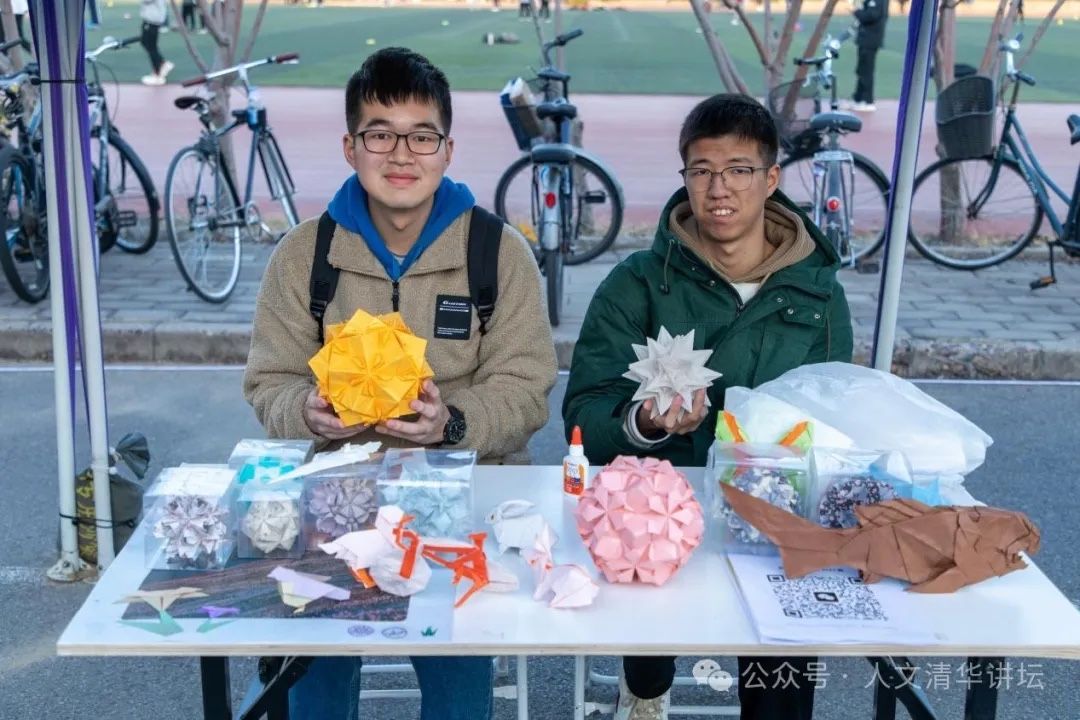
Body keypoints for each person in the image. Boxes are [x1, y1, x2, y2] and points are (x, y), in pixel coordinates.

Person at [243, 47, 557, 720]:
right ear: (350, 147)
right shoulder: (305, 254)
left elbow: (528, 385)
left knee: (458, 692)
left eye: (422, 135)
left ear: (448, 149)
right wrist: (306, 410)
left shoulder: (497, 252)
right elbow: (268, 379)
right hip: (333, 500)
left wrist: (455, 423)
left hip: (463, 501)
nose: (401, 154)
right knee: (312, 687)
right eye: (379, 134)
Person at [562, 93, 853, 720]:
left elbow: (833, 419)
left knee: (781, 677)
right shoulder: (637, 282)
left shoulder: (818, 294)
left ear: (771, 179)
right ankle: (644, 692)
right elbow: (582, 412)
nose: (719, 188)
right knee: (646, 620)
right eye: (701, 170)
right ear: (686, 177)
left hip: (772, 518)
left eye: (740, 170)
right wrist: (642, 422)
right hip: (656, 511)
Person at [850, 0, 888, 111]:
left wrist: (857, 12)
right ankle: (858, 98)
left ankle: (867, 100)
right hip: (865, 39)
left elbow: (871, 15)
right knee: (861, 70)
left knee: (866, 71)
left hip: (870, 40)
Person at [138, 0, 173, 86]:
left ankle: (158, 74)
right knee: (145, 43)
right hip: (152, 19)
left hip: (152, 19)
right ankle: (161, 63)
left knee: (150, 46)